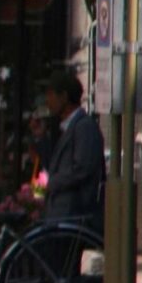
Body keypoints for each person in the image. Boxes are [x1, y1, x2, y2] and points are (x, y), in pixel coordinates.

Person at [39, 69, 104, 225]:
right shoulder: (68, 127)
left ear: (64, 97)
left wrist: (52, 182)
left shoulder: (84, 127)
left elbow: (82, 168)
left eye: (51, 95)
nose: (47, 101)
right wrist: (40, 137)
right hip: (61, 214)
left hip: (73, 214)